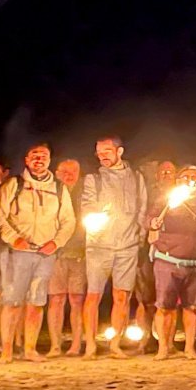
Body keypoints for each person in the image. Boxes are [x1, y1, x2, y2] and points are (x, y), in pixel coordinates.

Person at [0, 143, 75, 364]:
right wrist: (14, 239)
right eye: (35, 156)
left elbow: (68, 221)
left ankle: (30, 349)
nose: (39, 159)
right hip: (16, 252)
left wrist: (56, 243)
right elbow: (0, 216)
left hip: (45, 253)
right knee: (12, 302)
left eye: (44, 156)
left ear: (50, 160)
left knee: (37, 302)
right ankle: (7, 351)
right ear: (26, 160)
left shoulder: (59, 188)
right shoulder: (14, 184)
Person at [148, 165, 196, 360]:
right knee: (165, 307)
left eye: (194, 176)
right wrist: (152, 223)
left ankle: (190, 348)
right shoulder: (167, 199)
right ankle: (163, 348)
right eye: (185, 176)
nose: (190, 179)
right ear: (178, 180)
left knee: (191, 308)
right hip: (168, 260)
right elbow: (149, 217)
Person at [79, 136, 150, 359]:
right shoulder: (93, 179)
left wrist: (139, 238)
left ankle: (115, 345)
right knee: (93, 295)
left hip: (127, 246)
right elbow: (87, 205)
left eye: (107, 151)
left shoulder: (136, 178)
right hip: (99, 246)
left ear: (119, 151)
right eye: (99, 153)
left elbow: (142, 210)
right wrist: (94, 221)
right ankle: (90, 344)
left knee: (122, 297)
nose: (103, 156)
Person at [46, 159, 90, 357]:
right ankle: (55, 345)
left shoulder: (86, 194)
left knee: (77, 300)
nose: (69, 174)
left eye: (73, 170)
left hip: (79, 254)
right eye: (64, 171)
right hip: (55, 254)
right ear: (56, 173)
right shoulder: (49, 193)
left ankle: (75, 344)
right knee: (55, 299)